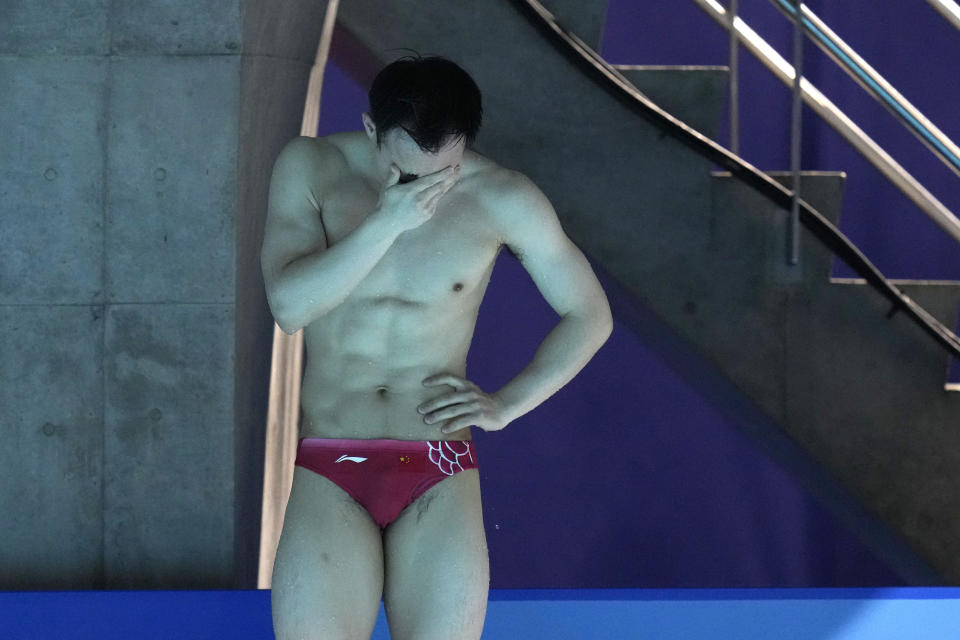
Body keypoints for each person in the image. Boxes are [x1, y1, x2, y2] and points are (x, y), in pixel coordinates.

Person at [261, 54, 613, 640]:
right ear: (372, 130)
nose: (424, 190)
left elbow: (589, 315)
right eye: (405, 173)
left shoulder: (503, 196)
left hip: (437, 463)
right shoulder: (312, 167)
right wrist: (385, 222)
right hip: (332, 459)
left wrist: (508, 404)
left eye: (441, 171)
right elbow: (290, 307)